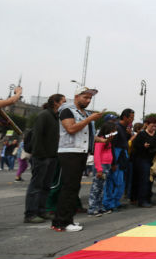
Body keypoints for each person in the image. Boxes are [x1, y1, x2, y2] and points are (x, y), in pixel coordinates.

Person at [51, 87, 104, 232]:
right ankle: (62, 222)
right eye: (85, 97)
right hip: (70, 152)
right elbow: (71, 129)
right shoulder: (67, 110)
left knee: (73, 188)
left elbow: (87, 135)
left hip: (81, 152)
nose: (88, 100)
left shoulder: (84, 113)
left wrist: (101, 140)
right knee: (69, 188)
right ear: (76, 96)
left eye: (90, 98)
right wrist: (90, 119)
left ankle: (65, 220)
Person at [24, 94, 65, 223]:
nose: (65, 104)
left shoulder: (55, 117)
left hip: (51, 156)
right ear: (55, 102)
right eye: (63, 101)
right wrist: (40, 155)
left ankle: (42, 211)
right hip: (42, 156)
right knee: (36, 186)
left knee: (46, 186)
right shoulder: (44, 115)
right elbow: (37, 136)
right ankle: (30, 214)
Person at [131, 117, 156, 207]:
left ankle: (148, 198)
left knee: (151, 180)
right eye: (152, 126)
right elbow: (135, 146)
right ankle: (142, 200)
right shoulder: (141, 134)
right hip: (142, 159)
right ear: (147, 124)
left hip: (154, 159)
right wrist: (143, 146)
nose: (154, 128)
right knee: (144, 179)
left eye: (155, 126)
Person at [88, 123, 116, 217]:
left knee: (101, 188)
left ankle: (99, 207)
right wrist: (99, 169)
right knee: (96, 188)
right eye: (112, 131)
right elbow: (97, 155)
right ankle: (92, 208)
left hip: (107, 165)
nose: (114, 133)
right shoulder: (100, 140)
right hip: (101, 166)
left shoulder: (109, 141)